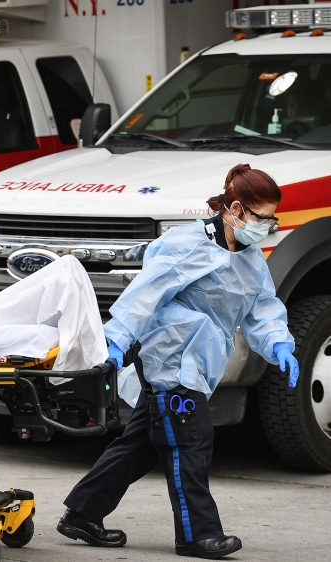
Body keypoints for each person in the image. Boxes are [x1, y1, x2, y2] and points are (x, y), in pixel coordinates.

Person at [57, 164, 300, 559]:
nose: (267, 226)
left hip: (198, 363)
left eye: (272, 218)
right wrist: (116, 339)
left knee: (143, 443)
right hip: (169, 361)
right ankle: (196, 535)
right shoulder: (186, 245)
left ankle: (82, 513)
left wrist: (279, 344)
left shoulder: (251, 258)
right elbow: (144, 296)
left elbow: (262, 308)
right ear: (235, 208)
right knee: (190, 443)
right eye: (262, 217)